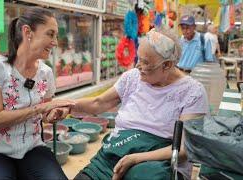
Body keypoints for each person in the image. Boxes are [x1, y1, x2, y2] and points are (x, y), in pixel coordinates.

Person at [72, 28, 209, 180]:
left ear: (167, 65)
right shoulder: (132, 78)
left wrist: (136, 158)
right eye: (138, 58)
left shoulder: (192, 92)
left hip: (155, 164)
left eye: (146, 63)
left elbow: (185, 149)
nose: (138, 66)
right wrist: (66, 105)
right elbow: (98, 103)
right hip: (115, 154)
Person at [0, 7, 74, 180]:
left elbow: (46, 114)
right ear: (28, 32)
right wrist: (40, 108)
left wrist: (54, 113)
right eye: (50, 34)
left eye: (55, 36)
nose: (55, 42)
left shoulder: (45, 73)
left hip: (32, 149)